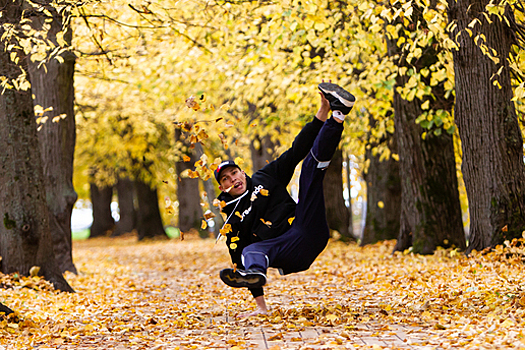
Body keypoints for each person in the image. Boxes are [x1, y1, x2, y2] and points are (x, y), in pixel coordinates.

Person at [214, 82, 355, 317]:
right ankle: (257, 273)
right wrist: (260, 306)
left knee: (310, 168)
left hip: (306, 227)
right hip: (285, 251)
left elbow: (297, 150)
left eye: (234, 173)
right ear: (223, 187)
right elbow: (239, 256)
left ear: (242, 172)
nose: (233, 179)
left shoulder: (265, 177)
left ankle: (338, 114)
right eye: (226, 180)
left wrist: (323, 111)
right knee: (250, 252)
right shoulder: (231, 220)